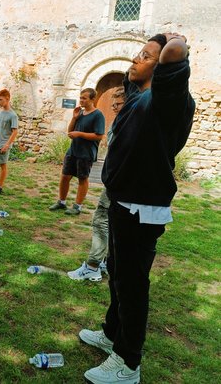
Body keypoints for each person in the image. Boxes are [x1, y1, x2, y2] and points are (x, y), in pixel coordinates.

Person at [79, 33, 195, 384]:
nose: (135, 59)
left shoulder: (169, 100)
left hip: (142, 208)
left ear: (161, 67)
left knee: (132, 285)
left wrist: (170, 41)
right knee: (117, 273)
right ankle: (112, 334)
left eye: (145, 56)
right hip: (122, 202)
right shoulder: (139, 98)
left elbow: (176, 51)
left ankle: (128, 363)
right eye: (137, 54)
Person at [67, 87, 125, 282]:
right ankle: (106, 262)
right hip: (114, 180)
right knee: (113, 223)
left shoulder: (129, 123)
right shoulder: (123, 121)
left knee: (101, 220)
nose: (114, 107)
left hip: (118, 182)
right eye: (113, 103)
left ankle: (92, 266)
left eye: (118, 103)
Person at [49, 88, 105, 215]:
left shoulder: (98, 115)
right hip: (73, 150)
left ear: (92, 99)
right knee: (65, 176)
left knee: (82, 178)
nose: (81, 100)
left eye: (84, 98)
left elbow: (99, 135)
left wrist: (79, 134)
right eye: (80, 98)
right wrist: (74, 118)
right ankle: (61, 202)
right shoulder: (79, 113)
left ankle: (77, 207)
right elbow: (70, 131)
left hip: (86, 153)